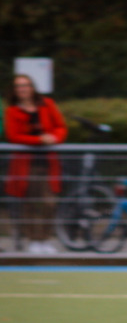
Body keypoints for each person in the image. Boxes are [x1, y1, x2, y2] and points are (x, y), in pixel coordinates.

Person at [4, 75, 67, 253]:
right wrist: (39, 140)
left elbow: (60, 127)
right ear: (15, 90)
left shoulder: (47, 104)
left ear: (32, 87)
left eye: (25, 85)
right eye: (18, 86)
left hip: (48, 162)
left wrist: (55, 138)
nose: (22, 89)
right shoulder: (12, 111)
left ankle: (45, 239)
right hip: (26, 164)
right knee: (30, 202)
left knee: (49, 202)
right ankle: (33, 240)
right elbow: (13, 136)